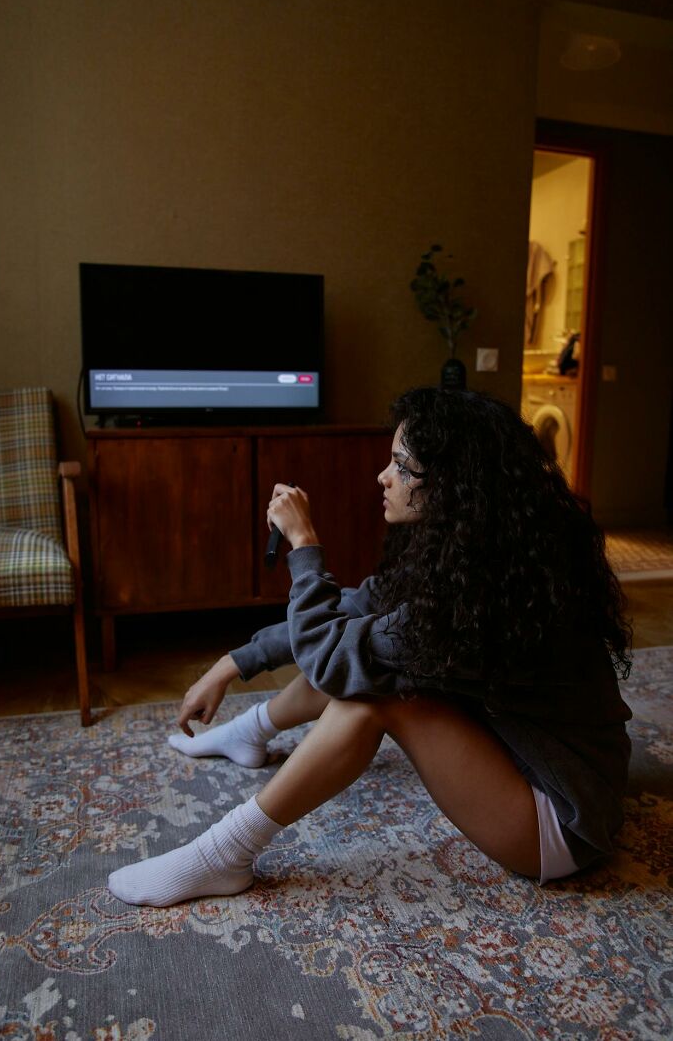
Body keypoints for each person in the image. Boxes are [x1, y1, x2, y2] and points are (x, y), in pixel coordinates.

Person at [108, 387, 632, 907]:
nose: (384, 477)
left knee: (376, 694)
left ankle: (225, 853)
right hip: (536, 762)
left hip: (564, 822)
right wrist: (233, 663)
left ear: (455, 486)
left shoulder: (491, 596)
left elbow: (330, 657)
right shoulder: (479, 555)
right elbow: (356, 609)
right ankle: (251, 732)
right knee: (369, 650)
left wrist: (304, 544)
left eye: (402, 467)